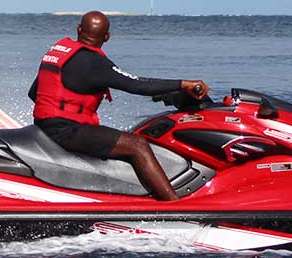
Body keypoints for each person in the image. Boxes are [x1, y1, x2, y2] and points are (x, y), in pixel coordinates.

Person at [28, 11, 210, 201]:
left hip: (45, 125)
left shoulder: (59, 54)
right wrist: (183, 84)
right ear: (107, 37)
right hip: (67, 130)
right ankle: (176, 207)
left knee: (120, 137)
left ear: (79, 29)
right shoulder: (95, 62)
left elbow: (34, 94)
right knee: (137, 145)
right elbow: (137, 84)